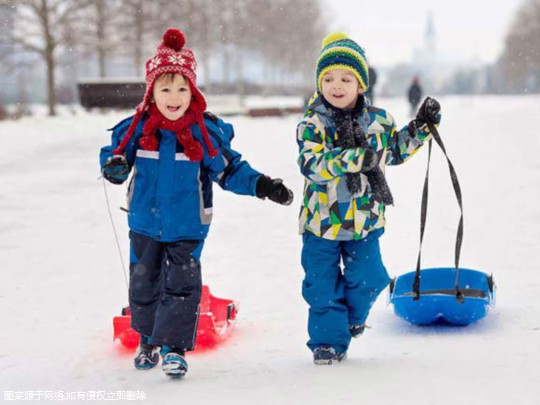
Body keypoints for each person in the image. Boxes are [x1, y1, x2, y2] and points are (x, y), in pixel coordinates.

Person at [100, 28, 294, 378]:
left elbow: (230, 170)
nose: (174, 97)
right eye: (165, 88)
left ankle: (174, 349)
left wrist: (264, 185)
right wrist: (113, 168)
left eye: (182, 89)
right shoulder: (136, 131)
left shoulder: (204, 134)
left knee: (181, 285)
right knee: (144, 283)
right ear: (152, 92)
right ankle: (147, 339)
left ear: (193, 92)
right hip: (144, 222)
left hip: (188, 225)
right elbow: (115, 157)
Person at [296, 33, 440, 365]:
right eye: (328, 78)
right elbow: (311, 164)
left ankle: (350, 320)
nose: (337, 85)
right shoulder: (313, 122)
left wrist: (421, 126)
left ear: (360, 84)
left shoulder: (379, 120)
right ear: (320, 84)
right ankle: (328, 343)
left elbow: (395, 151)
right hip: (322, 222)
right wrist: (350, 159)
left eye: (346, 78)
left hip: (365, 220)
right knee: (321, 287)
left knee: (371, 277)